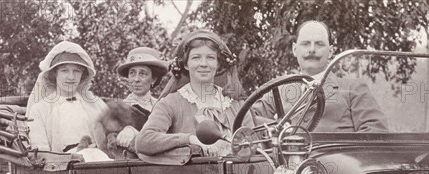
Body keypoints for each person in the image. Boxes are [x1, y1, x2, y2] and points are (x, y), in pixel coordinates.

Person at [253, 20, 388, 133]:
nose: (312, 49)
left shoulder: (354, 90)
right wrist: (277, 128)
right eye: (305, 44)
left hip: (336, 163)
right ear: (295, 49)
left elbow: (375, 132)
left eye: (319, 44)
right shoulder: (278, 91)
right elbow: (249, 117)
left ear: (331, 51)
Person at [135, 29, 248, 161]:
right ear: (186, 64)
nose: (204, 64)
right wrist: (189, 139)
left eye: (210, 58)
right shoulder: (171, 103)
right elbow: (143, 141)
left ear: (218, 64)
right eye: (196, 58)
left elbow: (256, 146)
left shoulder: (236, 104)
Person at [26, 41, 108, 154]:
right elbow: (41, 153)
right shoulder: (40, 110)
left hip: (97, 164)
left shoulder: (96, 104)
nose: (71, 77)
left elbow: (112, 137)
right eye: (64, 71)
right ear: (55, 73)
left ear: (82, 75)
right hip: (60, 167)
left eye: (76, 71)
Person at [114, 47, 168, 149]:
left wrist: (136, 134)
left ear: (153, 79)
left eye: (142, 73)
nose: (136, 79)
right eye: (132, 73)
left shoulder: (163, 107)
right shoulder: (119, 109)